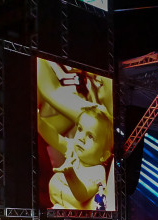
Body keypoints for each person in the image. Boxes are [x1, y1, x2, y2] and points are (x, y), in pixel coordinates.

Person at [37, 57, 114, 211]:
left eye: (90, 137)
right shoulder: (74, 146)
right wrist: (38, 121)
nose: (81, 138)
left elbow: (82, 194)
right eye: (80, 130)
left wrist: (70, 174)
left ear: (103, 156)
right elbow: (55, 137)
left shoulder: (97, 171)